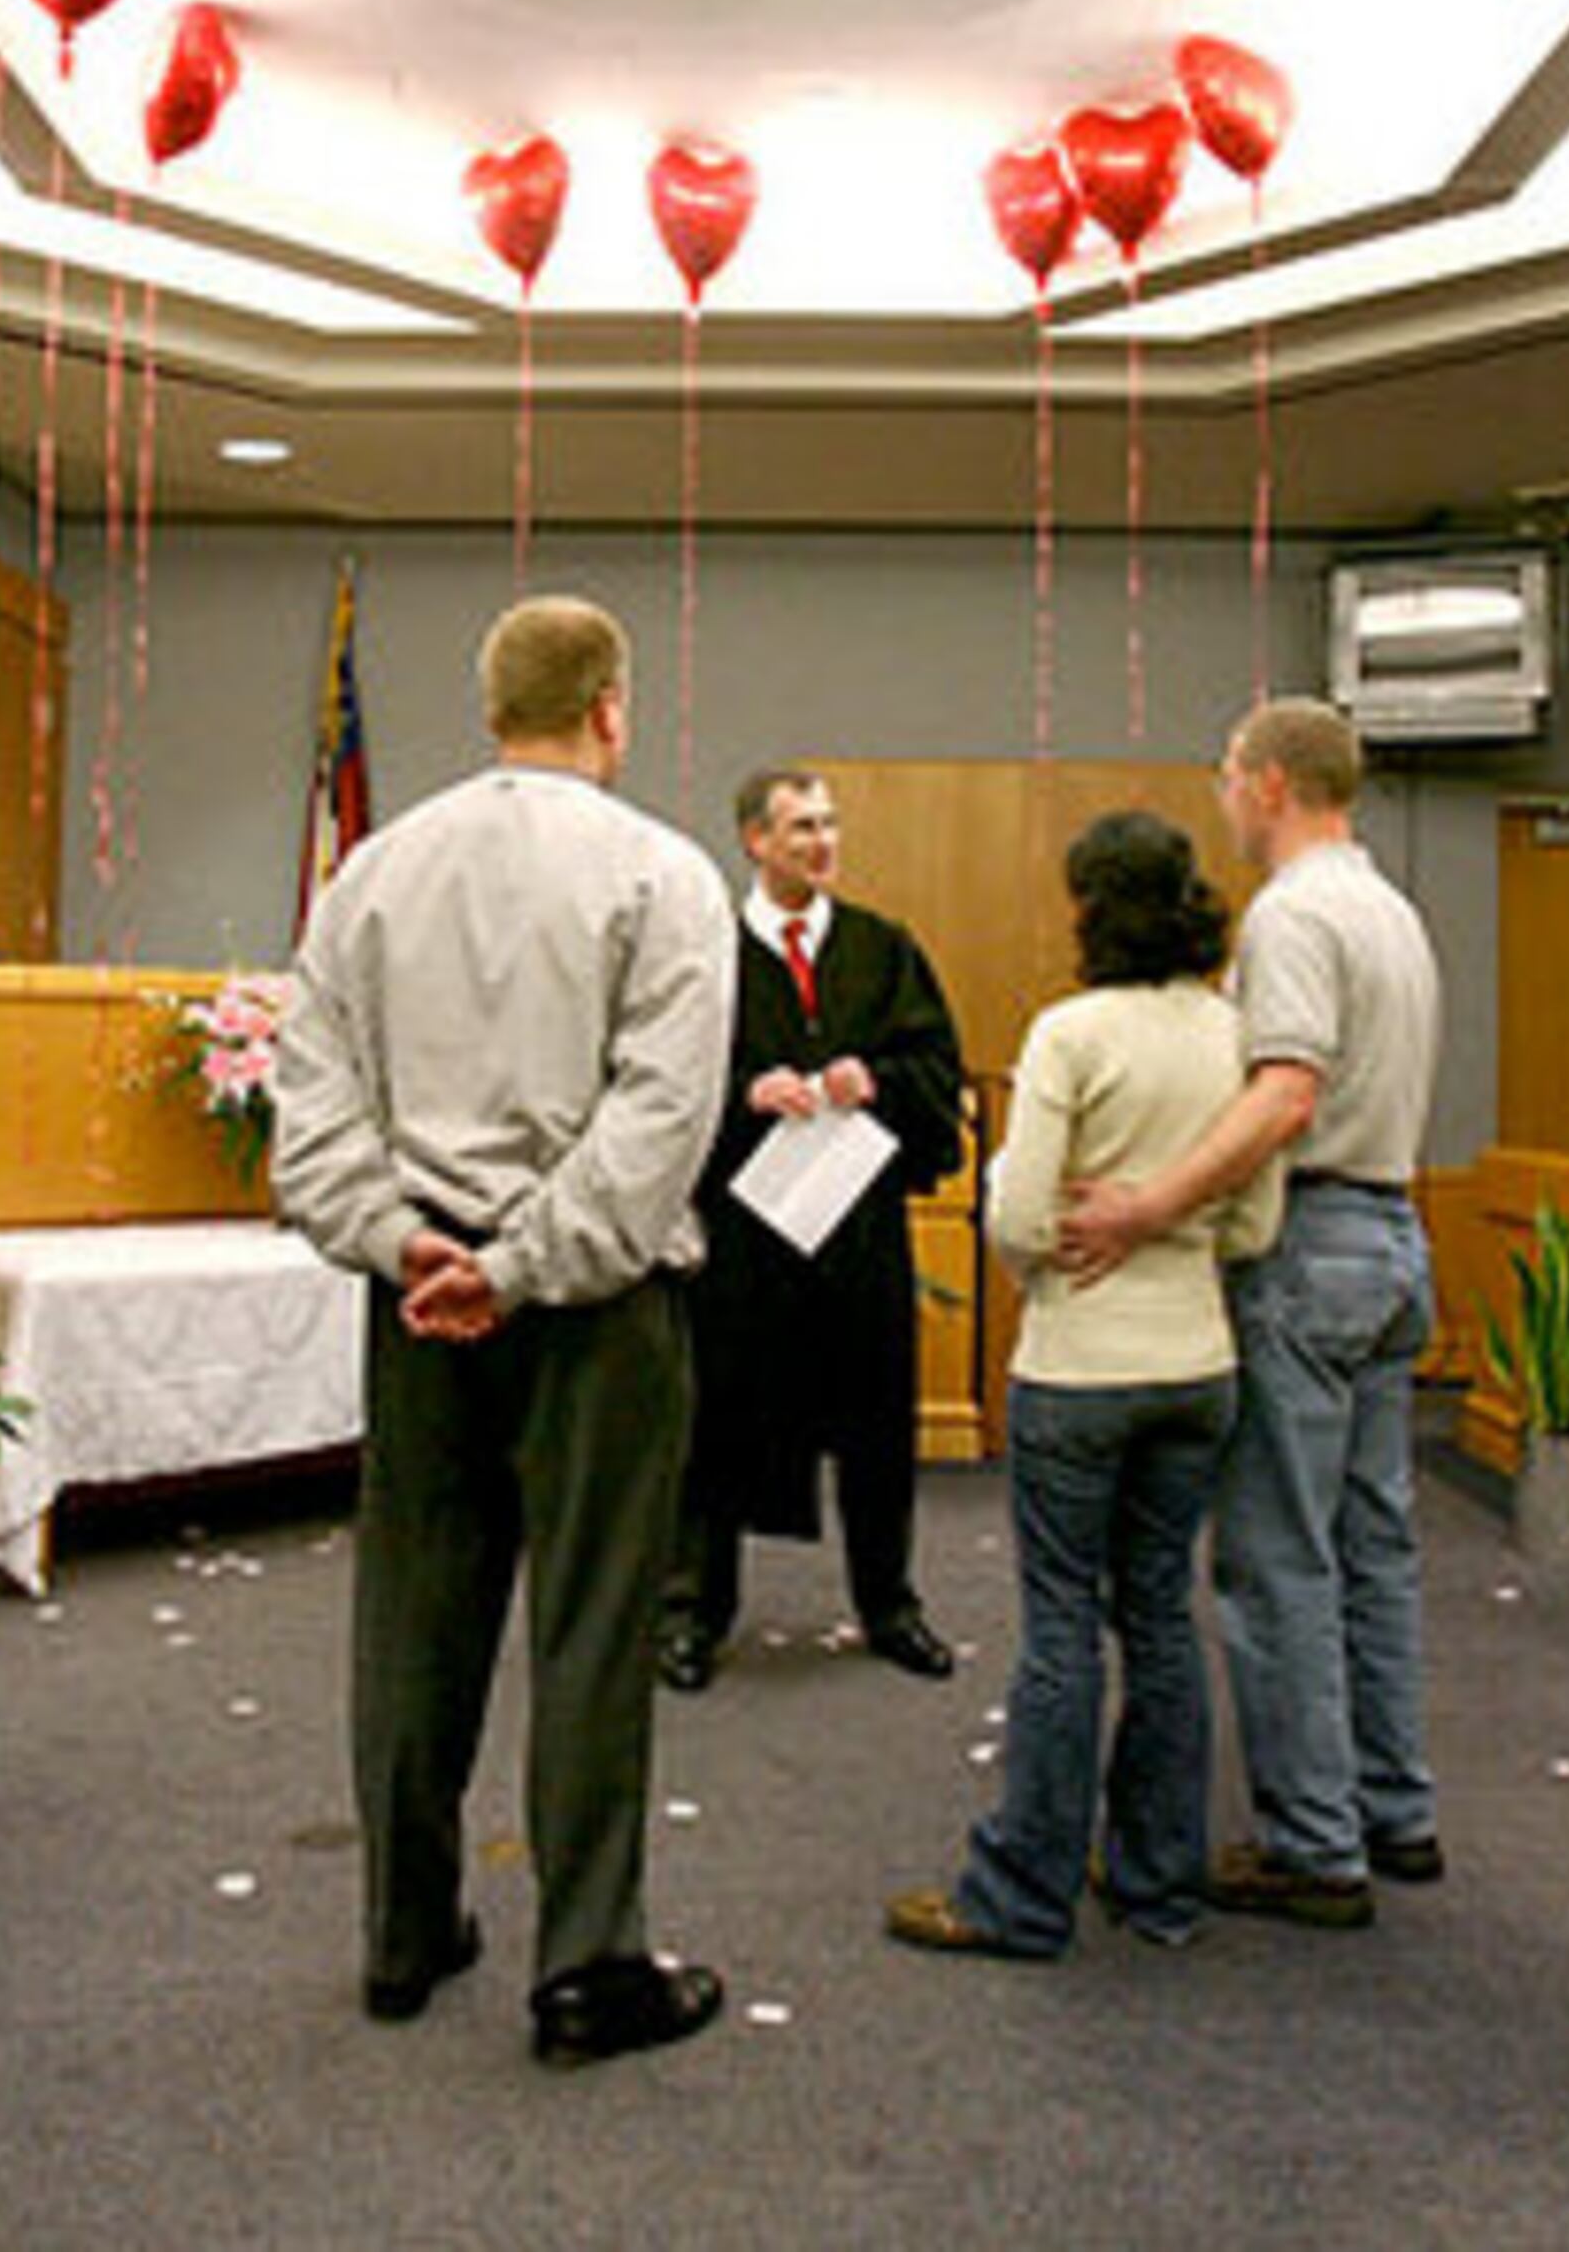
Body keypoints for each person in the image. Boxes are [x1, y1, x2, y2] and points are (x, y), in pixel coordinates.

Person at [272, 594, 736, 2067]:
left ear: (488, 708)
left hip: (416, 1303)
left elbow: (313, 1103)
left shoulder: (371, 874)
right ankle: (588, 1966)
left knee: (413, 1615)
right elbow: (660, 1124)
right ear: (612, 706)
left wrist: (410, 1240)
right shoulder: (666, 874)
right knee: (594, 1625)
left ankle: (404, 1935)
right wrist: (528, 1262)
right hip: (597, 1313)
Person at [1057, 697, 1445, 1931]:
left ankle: (1314, 1846)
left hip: (1314, 1243)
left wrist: (1147, 1204)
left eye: (1228, 774)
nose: (1222, 795)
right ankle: (1395, 1810)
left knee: (1277, 1556)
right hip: (1396, 1239)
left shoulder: (1291, 915)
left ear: (1271, 784)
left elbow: (1284, 1097)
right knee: (1374, 1548)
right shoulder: (1391, 909)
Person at [884, 811, 1280, 1959]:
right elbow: (1255, 1218)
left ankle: (1020, 1899)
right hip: (1199, 1363)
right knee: (1159, 1617)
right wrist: (1173, 1234)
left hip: (1080, 1370)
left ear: (1090, 908)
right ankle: (1158, 1888)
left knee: (1062, 1630)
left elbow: (1012, 1212)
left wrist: (1052, 1269)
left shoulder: (1070, 1033)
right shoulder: (1234, 1033)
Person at [664, 767, 966, 1691]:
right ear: (754, 840)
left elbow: (936, 1070)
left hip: (859, 1233)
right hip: (743, 1243)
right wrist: (744, 1096)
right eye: (801, 827)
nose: (823, 842)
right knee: (714, 1426)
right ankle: (690, 1612)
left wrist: (874, 1079)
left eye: (830, 824)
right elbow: (661, 1092)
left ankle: (890, 1601)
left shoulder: (883, 949)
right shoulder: (704, 955)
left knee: (877, 1422)